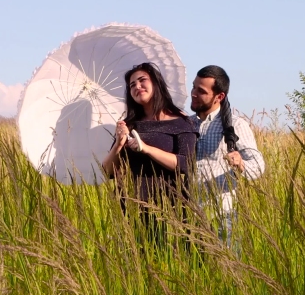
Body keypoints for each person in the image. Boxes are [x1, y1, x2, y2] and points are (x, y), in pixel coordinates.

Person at [102, 63, 199, 236]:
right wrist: (119, 143)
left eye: (142, 80)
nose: (137, 87)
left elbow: (186, 164)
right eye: (132, 85)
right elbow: (108, 171)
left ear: (156, 82)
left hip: (169, 205)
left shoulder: (181, 122)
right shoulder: (129, 125)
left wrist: (146, 149)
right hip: (131, 204)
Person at [190, 65, 265, 247]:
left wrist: (240, 164)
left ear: (219, 96)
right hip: (188, 217)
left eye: (201, 91)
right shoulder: (186, 124)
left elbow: (258, 165)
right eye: (193, 87)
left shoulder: (235, 125)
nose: (193, 93)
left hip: (222, 218)